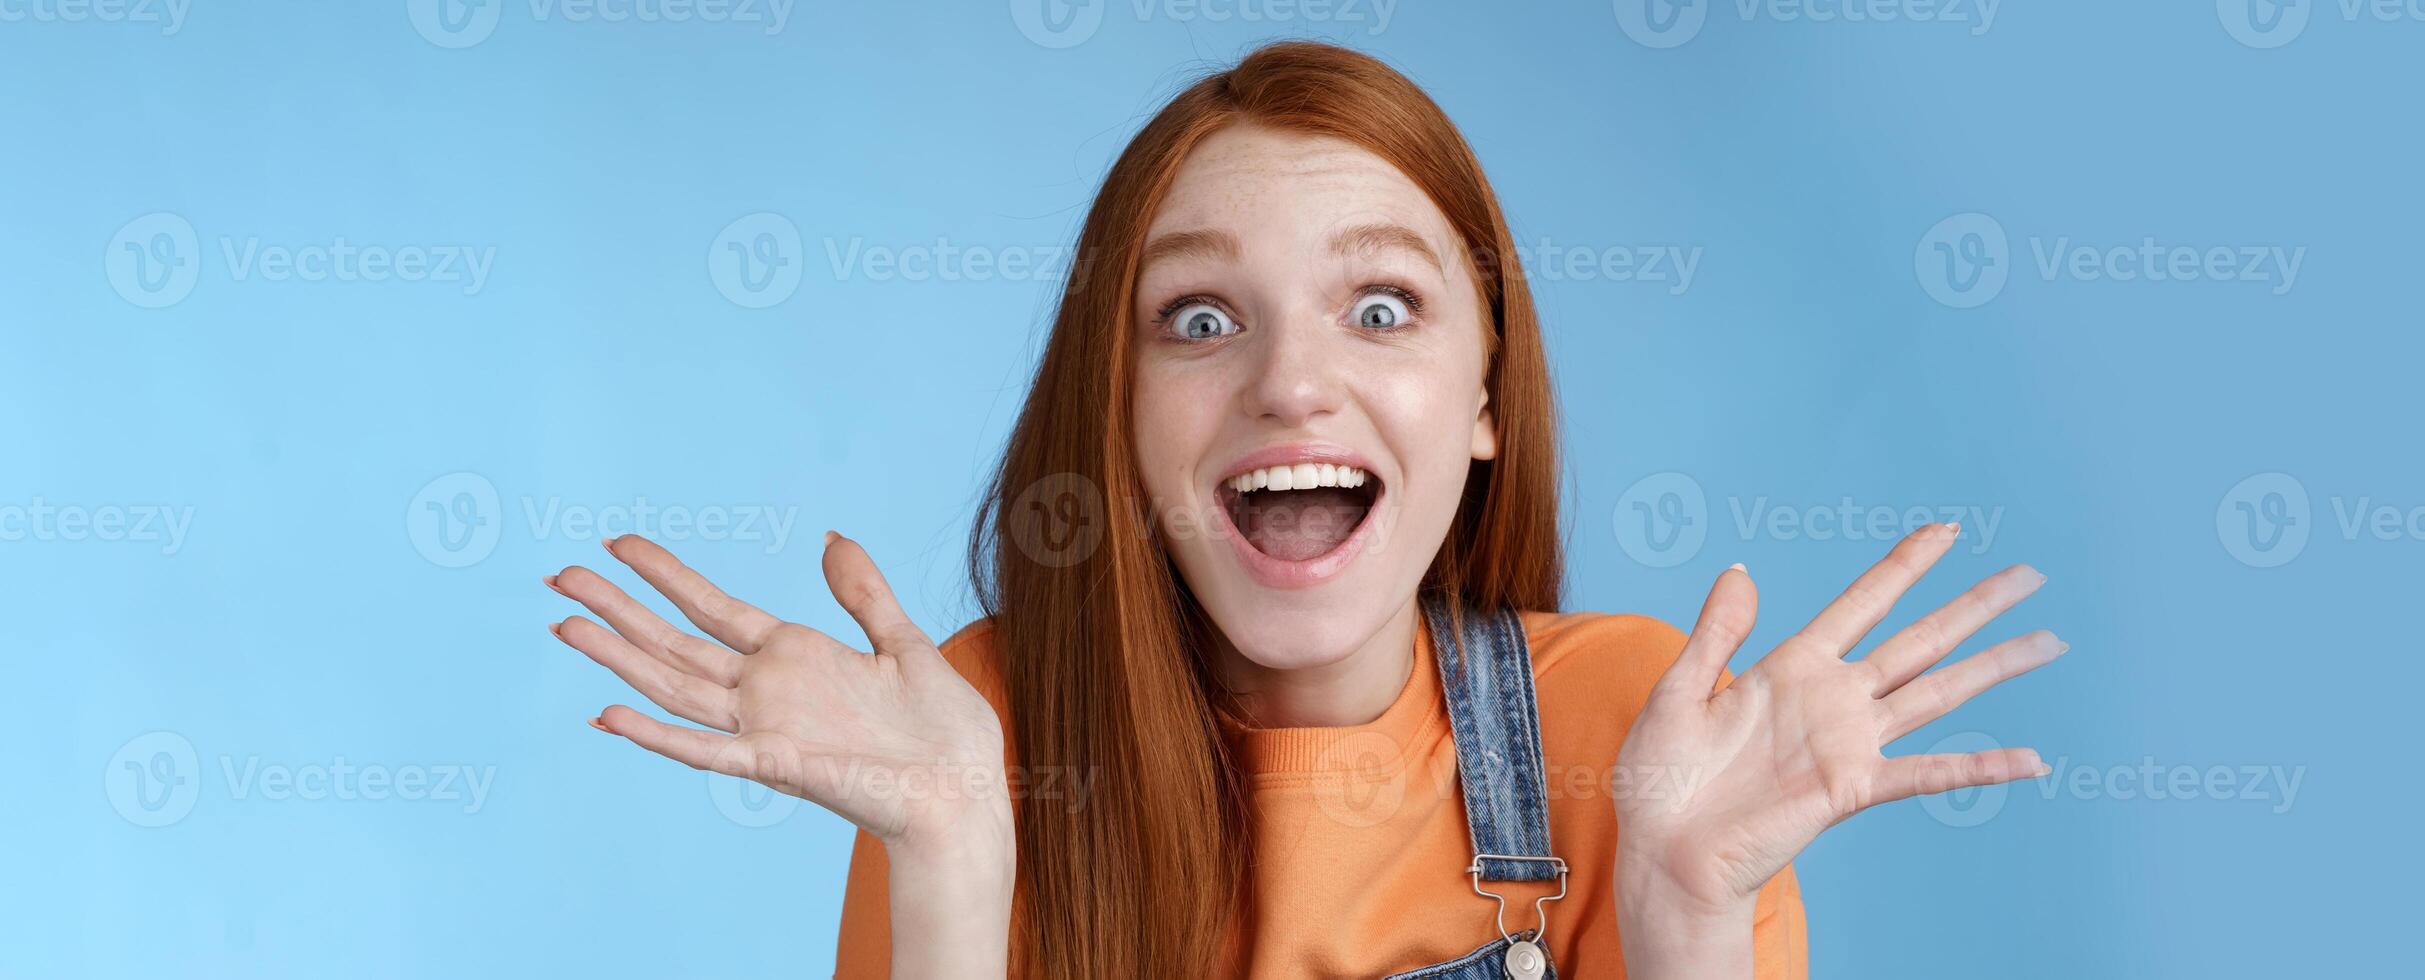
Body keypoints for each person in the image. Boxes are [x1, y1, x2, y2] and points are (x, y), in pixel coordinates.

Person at [543, 40, 2065, 980]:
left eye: (1380, 308)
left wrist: (1680, 922)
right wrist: (950, 859)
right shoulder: (973, 739)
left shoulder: (1633, 740)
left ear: (1482, 399)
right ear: (1117, 415)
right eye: (1199, 319)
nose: (1290, 384)